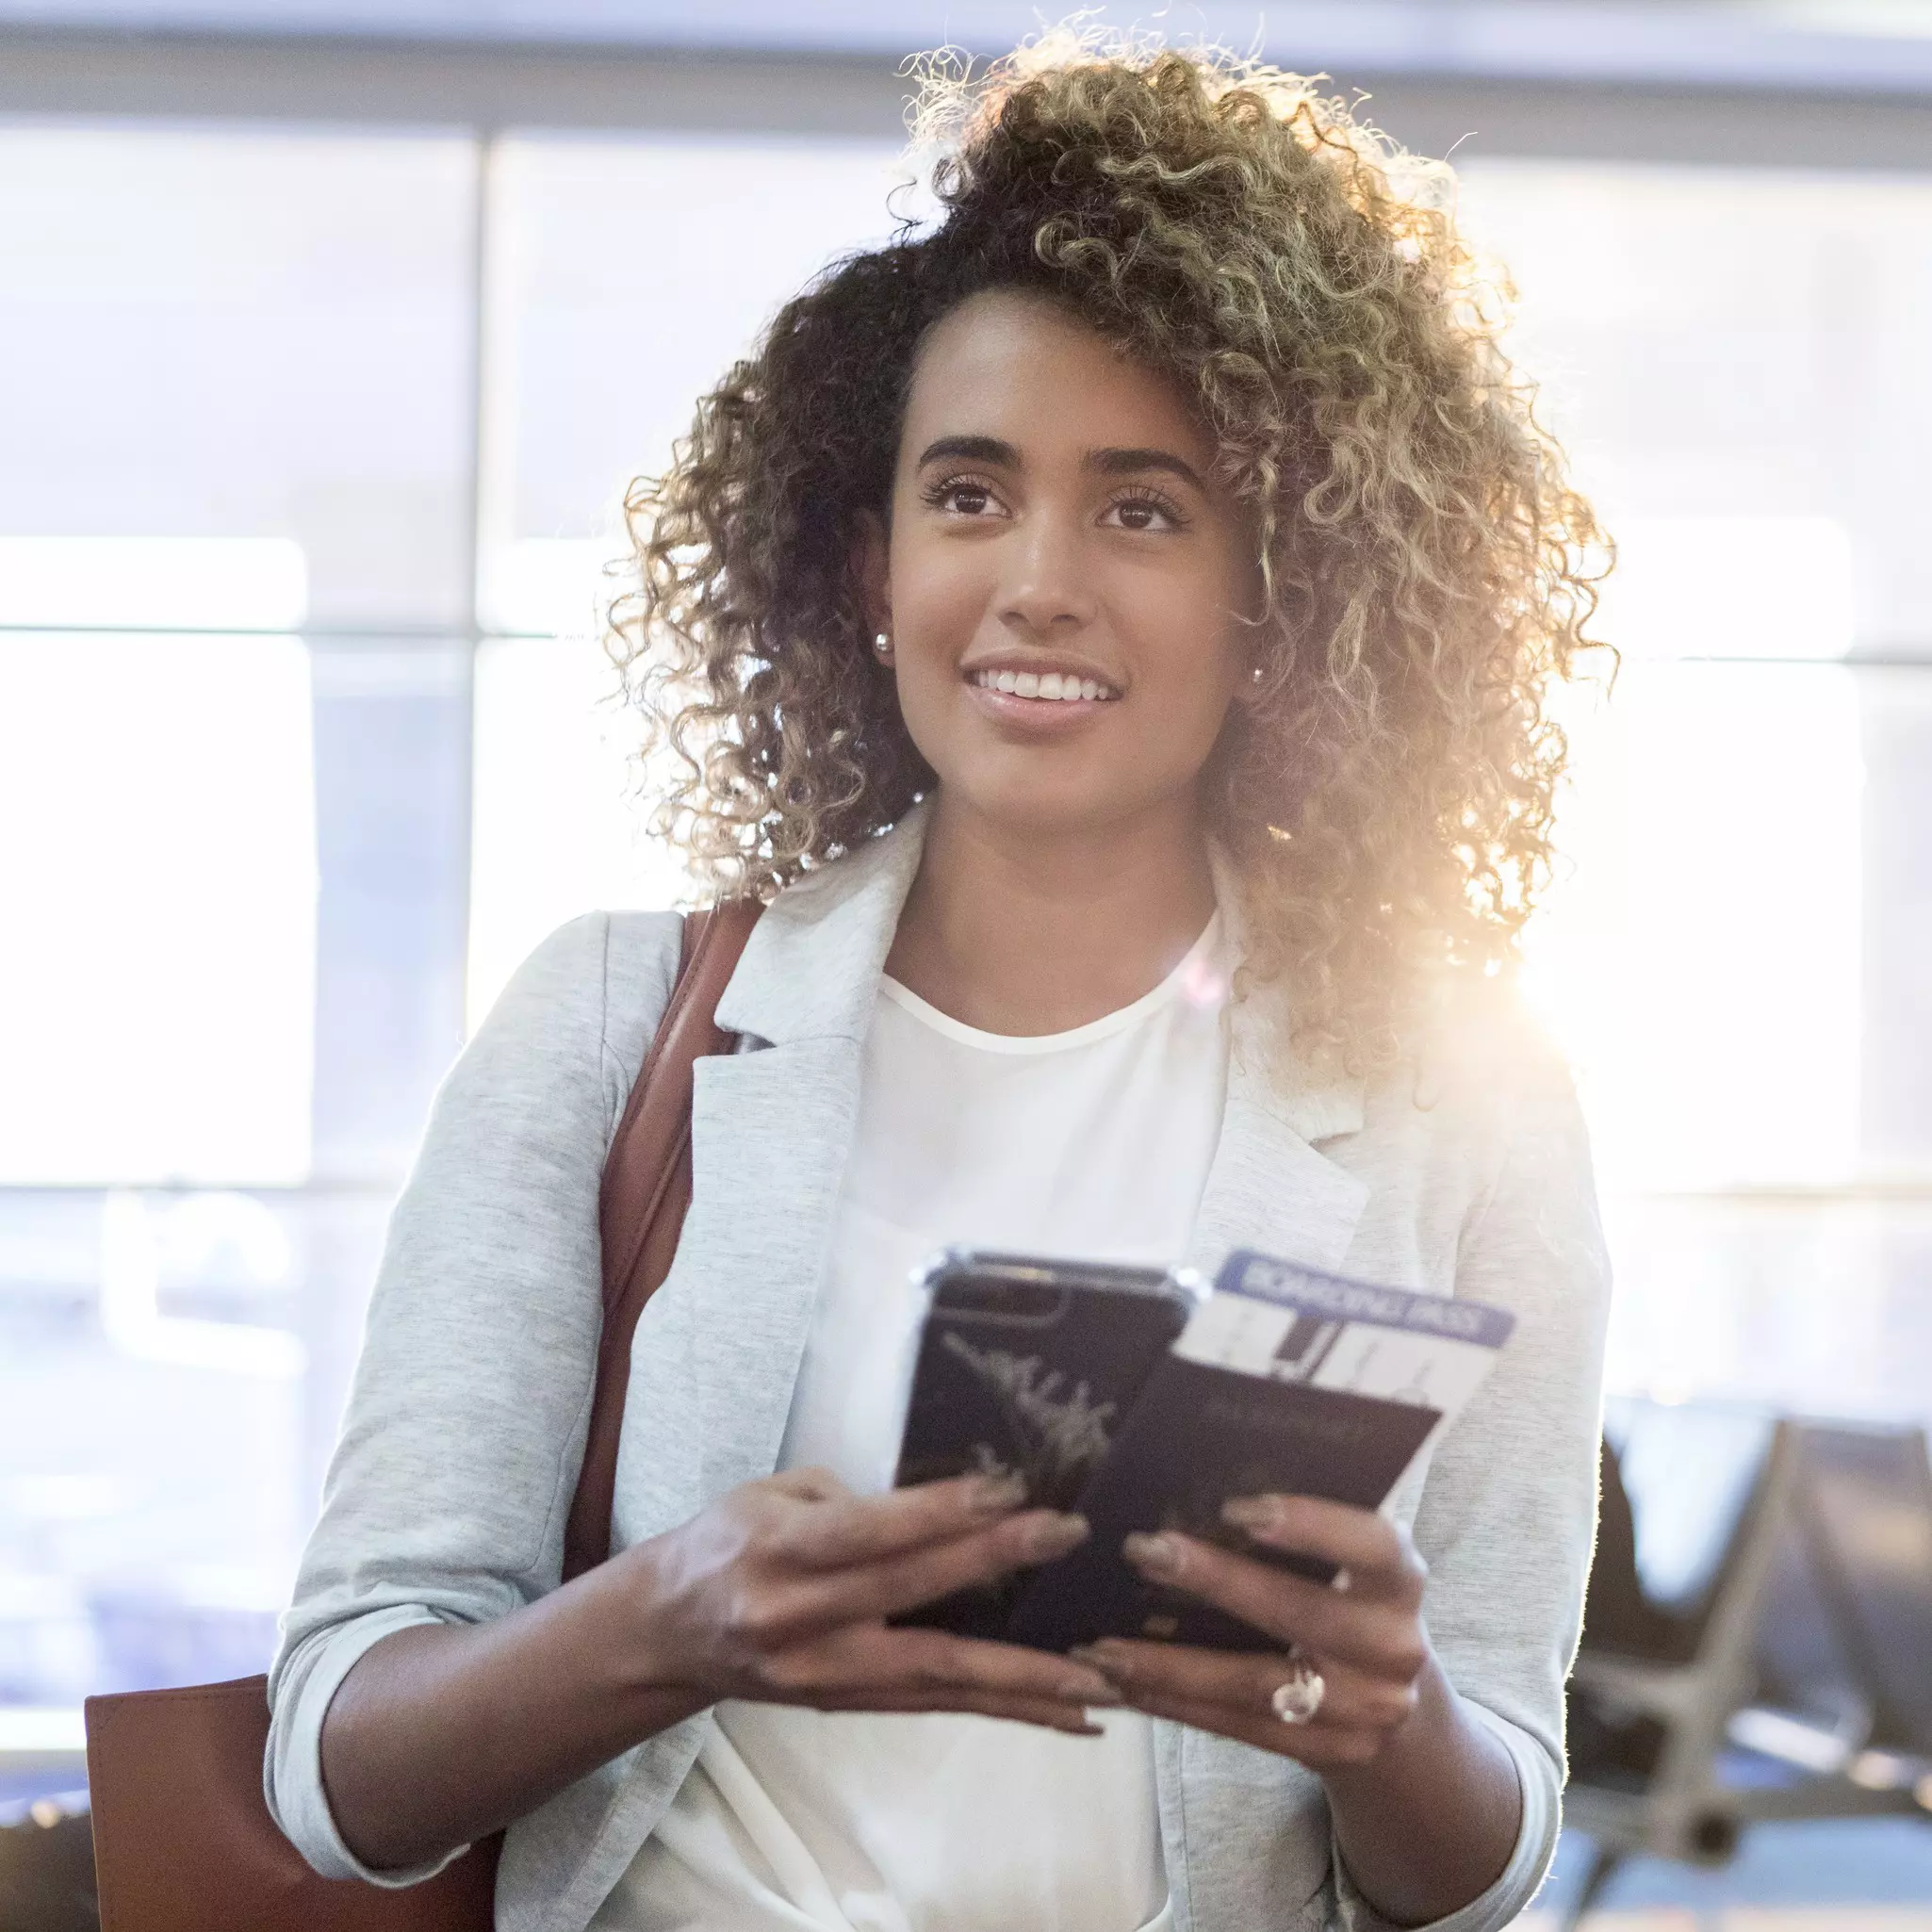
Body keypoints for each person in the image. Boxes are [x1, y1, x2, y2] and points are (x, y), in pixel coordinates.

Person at [267, 36, 1613, 1932]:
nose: (1036, 581)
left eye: (1141, 509)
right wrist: (673, 1621)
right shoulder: (603, 1022)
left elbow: (1480, 1860)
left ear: (1270, 605)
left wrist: (1375, 1720)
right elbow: (339, 1758)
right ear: (870, 565)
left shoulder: (1465, 1093)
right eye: (968, 495)